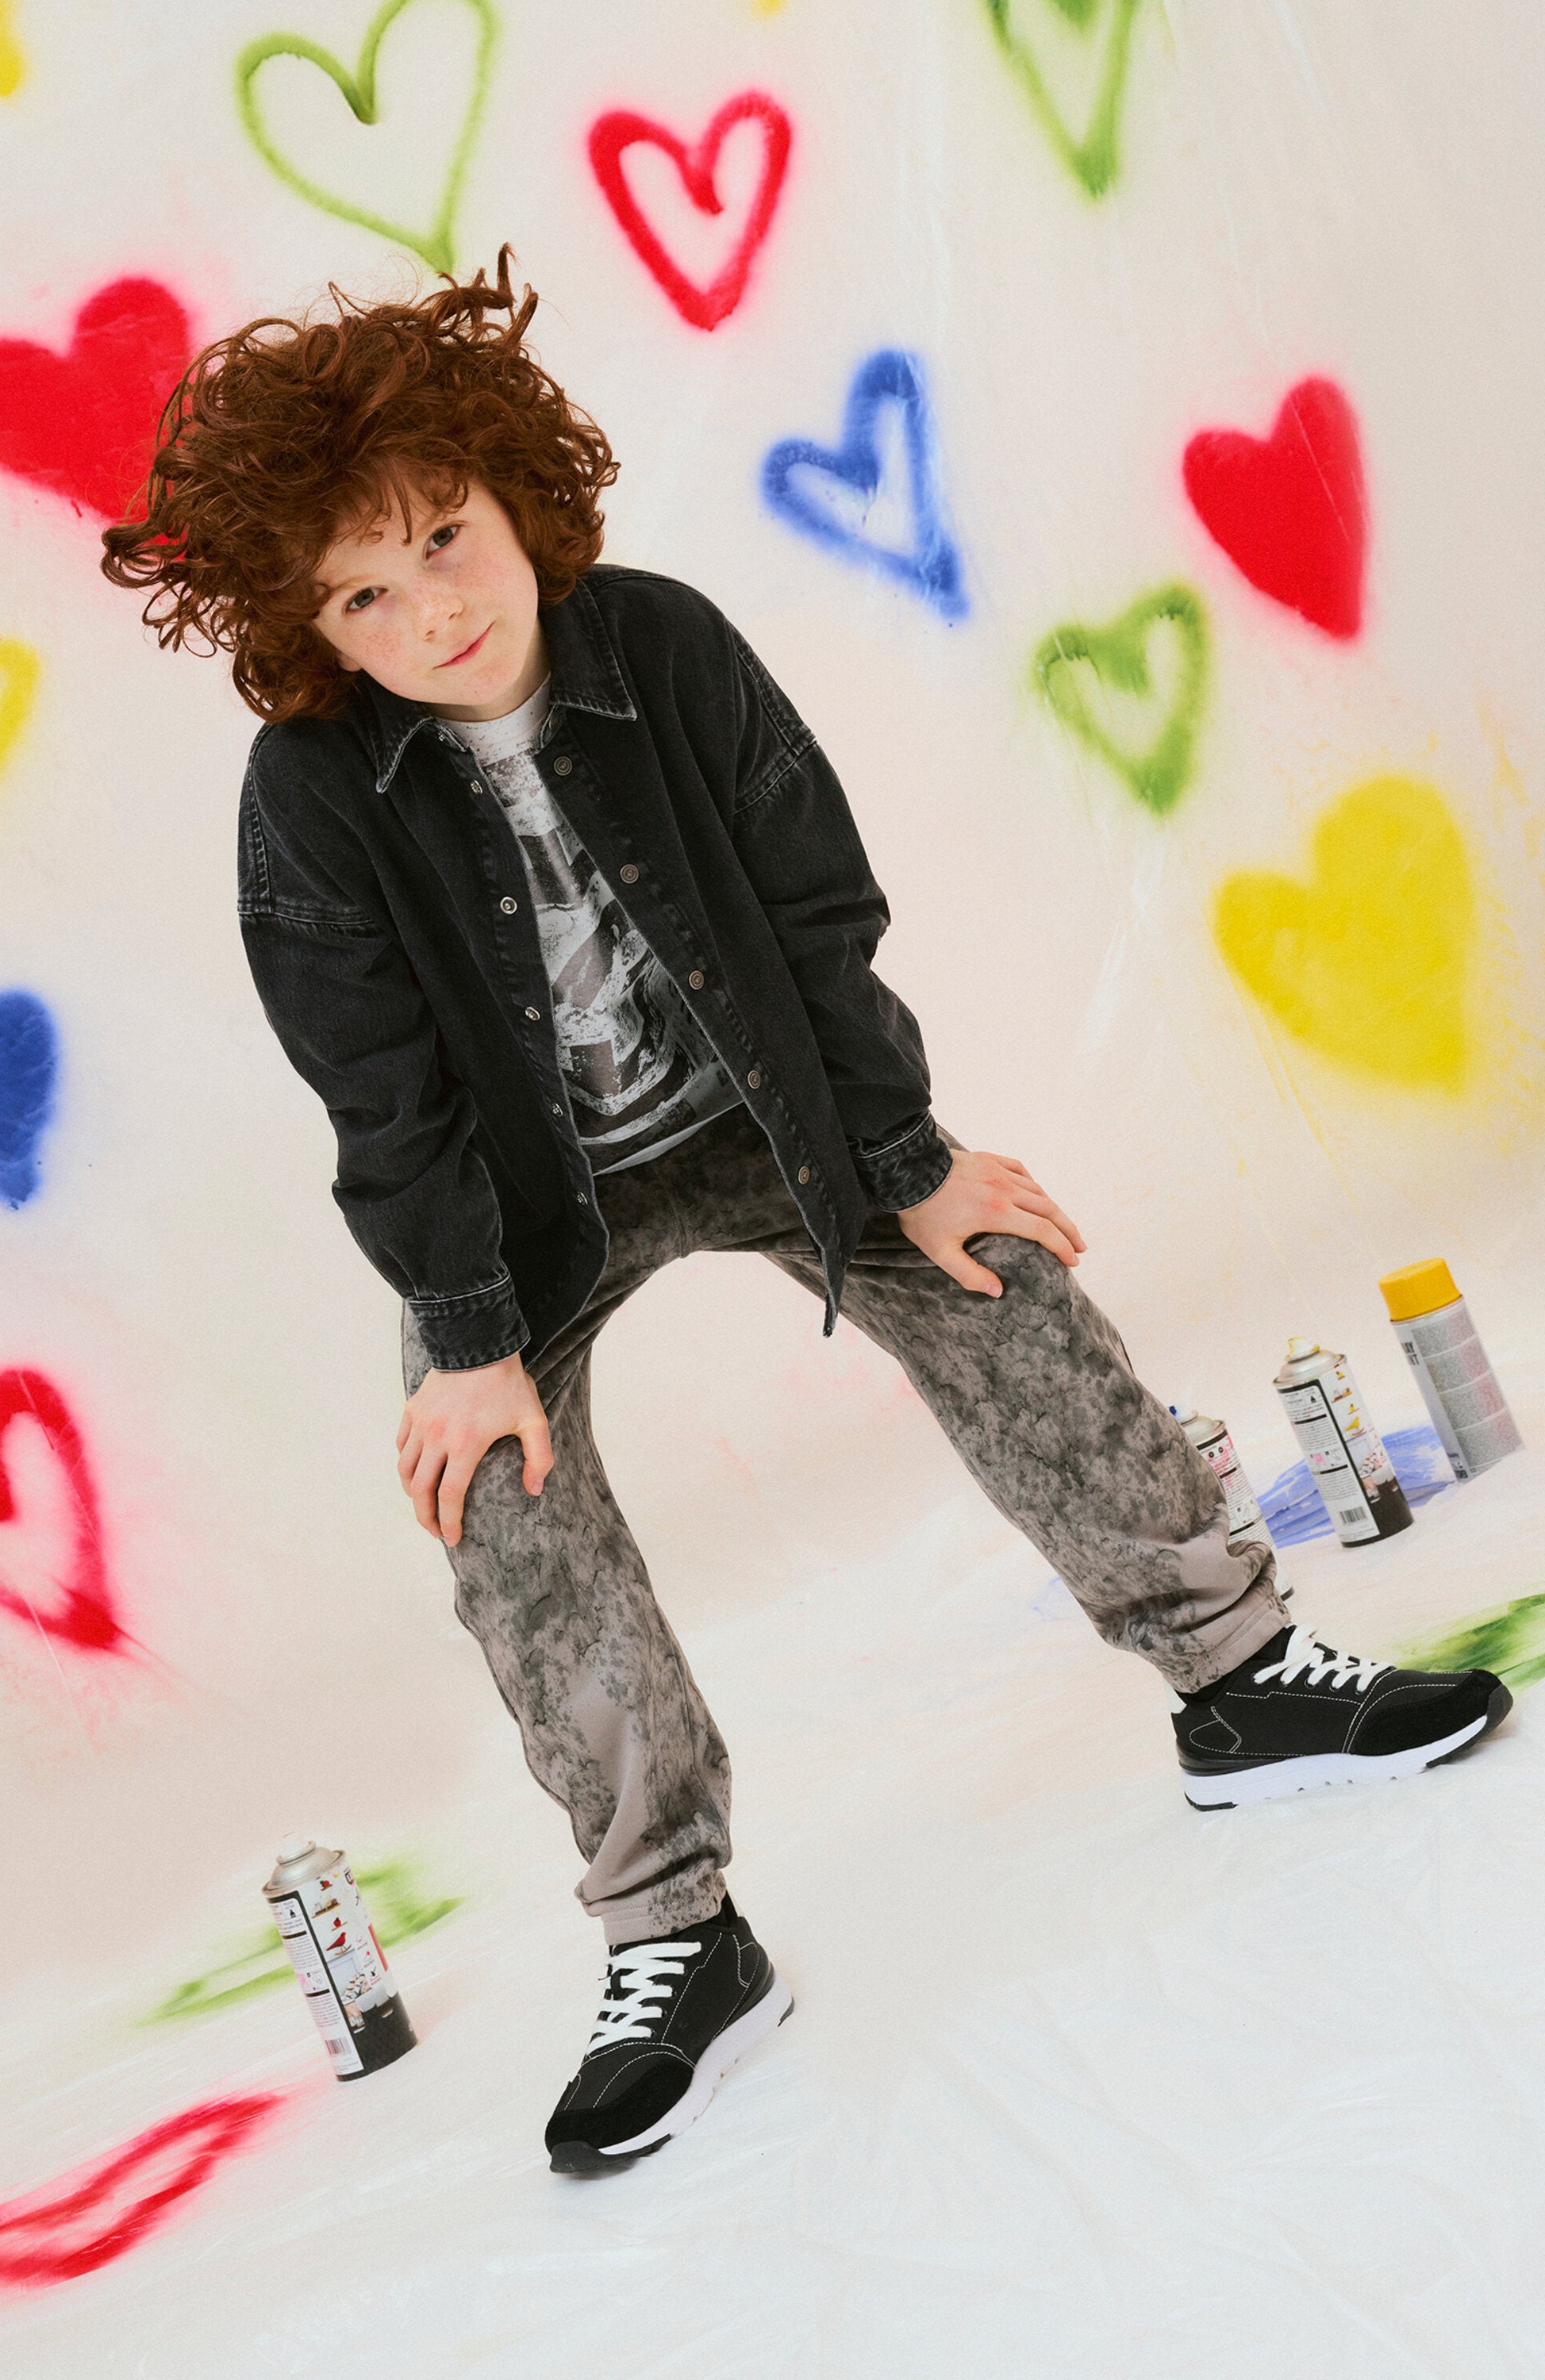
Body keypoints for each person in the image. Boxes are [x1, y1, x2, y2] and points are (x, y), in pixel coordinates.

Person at [101, 255, 1510, 2178]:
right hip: (518, 1212)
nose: (429, 606)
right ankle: (677, 1934)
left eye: (444, 536)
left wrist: (905, 1161)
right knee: (494, 1492)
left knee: (998, 1274)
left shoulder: (661, 646)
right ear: (305, 629)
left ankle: (1238, 1682)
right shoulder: (308, 798)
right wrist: (467, 1333)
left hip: (767, 1111)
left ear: (517, 494)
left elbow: (815, 910)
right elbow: (379, 1092)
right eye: (361, 593)